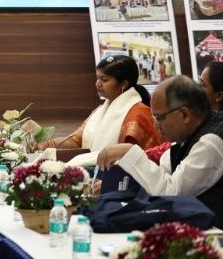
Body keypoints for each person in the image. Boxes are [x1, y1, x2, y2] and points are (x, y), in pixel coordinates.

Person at [97, 76, 223, 227]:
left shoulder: (210, 142)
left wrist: (129, 152)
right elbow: (162, 176)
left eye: (159, 117)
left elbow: (172, 194)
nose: (155, 125)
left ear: (184, 114)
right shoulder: (187, 136)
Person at [36, 55, 160, 168]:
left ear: (123, 84)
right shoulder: (99, 111)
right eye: (97, 78)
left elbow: (141, 156)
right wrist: (47, 144)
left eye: (104, 80)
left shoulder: (139, 113)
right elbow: (76, 141)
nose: (98, 84)